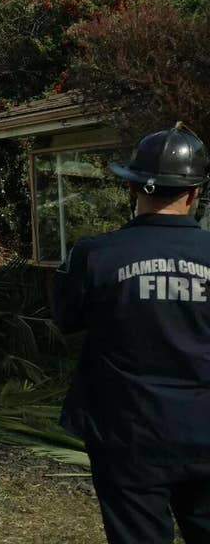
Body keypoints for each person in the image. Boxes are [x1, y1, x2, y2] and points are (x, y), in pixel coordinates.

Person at [53, 123, 210, 544]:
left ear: (134, 188)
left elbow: (66, 320)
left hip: (128, 433)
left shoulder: (95, 255)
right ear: (195, 193)